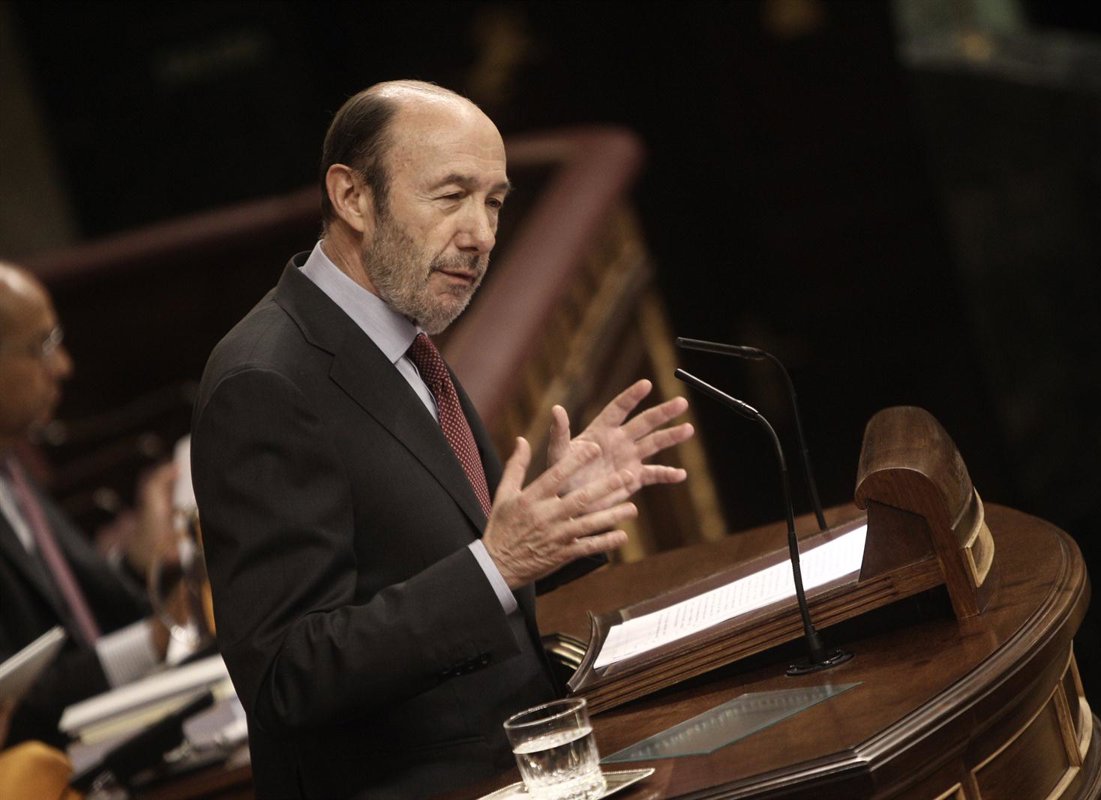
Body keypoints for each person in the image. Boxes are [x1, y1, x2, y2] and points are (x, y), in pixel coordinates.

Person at [190, 79, 694, 798]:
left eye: (494, 202)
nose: (481, 233)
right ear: (352, 197)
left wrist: (559, 517)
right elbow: (285, 674)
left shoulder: (403, 335)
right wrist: (499, 562)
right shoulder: (264, 381)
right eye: (451, 195)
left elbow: (428, 561)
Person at [0, 262, 179, 747]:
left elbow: (77, 617)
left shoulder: (12, 468)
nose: (63, 367)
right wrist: (155, 639)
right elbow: (14, 702)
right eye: (42, 346)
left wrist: (140, 560)